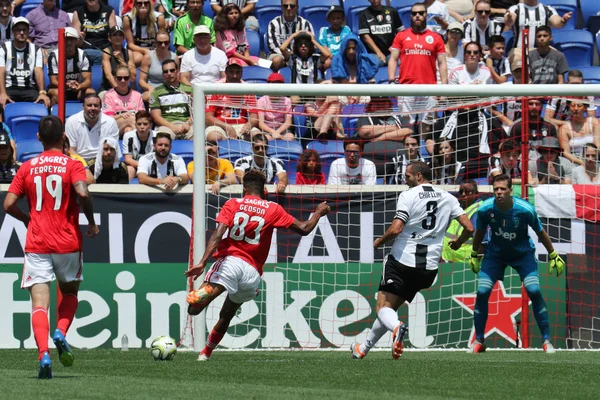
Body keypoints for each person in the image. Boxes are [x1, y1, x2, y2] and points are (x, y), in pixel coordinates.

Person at [184, 169, 331, 360]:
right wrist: (318, 212)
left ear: (245, 188)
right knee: (227, 314)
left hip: (231, 262)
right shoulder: (273, 208)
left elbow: (218, 234)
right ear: (264, 190)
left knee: (193, 309)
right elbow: (304, 229)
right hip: (252, 273)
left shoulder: (233, 203)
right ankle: (205, 354)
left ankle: (208, 290)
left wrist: (203, 262)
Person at [3, 115, 99, 379]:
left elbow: (9, 204)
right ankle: (61, 332)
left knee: (39, 304)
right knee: (69, 293)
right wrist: (91, 221)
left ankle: (43, 353)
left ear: (38, 138)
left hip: (37, 242)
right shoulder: (72, 165)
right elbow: (82, 192)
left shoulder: (27, 167)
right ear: (63, 137)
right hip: (67, 242)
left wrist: (28, 219)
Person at [352, 161, 473, 359]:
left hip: (403, 261)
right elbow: (469, 228)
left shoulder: (408, 195)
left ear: (418, 176)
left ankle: (397, 328)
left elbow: (396, 228)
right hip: (428, 269)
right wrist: (458, 243)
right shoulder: (448, 197)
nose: (404, 179)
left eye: (407, 176)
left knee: (383, 308)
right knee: (389, 310)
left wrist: (379, 242)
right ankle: (363, 348)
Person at [469, 174, 565, 353]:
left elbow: (541, 232)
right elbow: (480, 232)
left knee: (534, 291)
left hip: (522, 255)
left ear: (510, 191)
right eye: (496, 189)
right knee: (482, 292)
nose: (499, 192)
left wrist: (553, 254)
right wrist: (474, 254)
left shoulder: (525, 209)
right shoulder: (485, 210)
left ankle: (546, 341)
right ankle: (479, 341)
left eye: (503, 189)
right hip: (495, 255)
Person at [389, 3, 447, 156]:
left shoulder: (436, 37)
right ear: (410, 16)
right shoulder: (401, 36)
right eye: (414, 13)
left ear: (426, 15)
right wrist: (390, 82)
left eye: (421, 13)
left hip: (430, 88)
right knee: (408, 129)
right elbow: (393, 59)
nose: (418, 16)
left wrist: (445, 88)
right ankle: (408, 161)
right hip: (406, 88)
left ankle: (428, 162)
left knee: (427, 129)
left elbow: (442, 63)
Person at [0, 17, 50, 110]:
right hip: (9, 88)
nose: (22, 33)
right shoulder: (3, 48)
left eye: (24, 30)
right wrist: (2, 93)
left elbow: (38, 71)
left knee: (44, 103)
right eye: (18, 30)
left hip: (29, 89)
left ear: (28, 32)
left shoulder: (36, 50)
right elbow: (1, 71)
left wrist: (42, 92)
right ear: (13, 32)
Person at [205, 58, 257, 141]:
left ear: (242, 73)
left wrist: (249, 124)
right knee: (213, 137)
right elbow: (208, 118)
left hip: (242, 125)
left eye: (237, 72)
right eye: (231, 72)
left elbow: (254, 117)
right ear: (225, 72)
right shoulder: (216, 87)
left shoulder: (248, 89)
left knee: (258, 137)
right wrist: (227, 126)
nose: (234, 76)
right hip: (219, 126)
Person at [66, 94, 120, 163]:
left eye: (96, 105)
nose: (93, 108)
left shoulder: (110, 122)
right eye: (89, 105)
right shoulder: (72, 121)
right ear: (83, 106)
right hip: (79, 161)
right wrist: (84, 166)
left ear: (100, 107)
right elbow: (71, 150)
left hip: (103, 161)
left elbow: (111, 150)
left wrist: (97, 165)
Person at [149, 59, 194, 140]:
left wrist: (188, 124)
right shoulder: (156, 92)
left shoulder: (189, 90)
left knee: (198, 138)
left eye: (172, 70)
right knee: (162, 139)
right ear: (163, 74)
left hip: (187, 124)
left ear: (177, 71)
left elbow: (196, 112)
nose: (169, 73)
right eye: (165, 71)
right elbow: (156, 117)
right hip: (167, 126)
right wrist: (172, 127)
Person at [48, 27, 93, 105]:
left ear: (76, 41)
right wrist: (66, 85)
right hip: (59, 88)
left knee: (91, 93)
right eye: (66, 39)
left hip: (77, 88)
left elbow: (88, 81)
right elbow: (53, 81)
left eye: (71, 39)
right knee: (57, 93)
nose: (68, 42)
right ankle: (54, 116)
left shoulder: (83, 55)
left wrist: (80, 86)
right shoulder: (54, 56)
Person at [266, 0, 314, 72]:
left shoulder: (305, 24)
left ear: (297, 7)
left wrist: (296, 55)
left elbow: (311, 44)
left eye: (292, 6)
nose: (289, 8)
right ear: (281, 7)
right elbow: (273, 46)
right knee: (277, 60)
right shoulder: (274, 24)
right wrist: (289, 56)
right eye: (285, 6)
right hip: (280, 55)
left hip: (300, 54)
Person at [505, 0, 571, 49]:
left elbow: (557, 23)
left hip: (543, 50)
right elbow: (509, 21)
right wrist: (509, 19)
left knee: (557, 56)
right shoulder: (515, 8)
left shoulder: (547, 9)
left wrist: (562, 20)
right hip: (520, 50)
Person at [101, 66, 145, 136]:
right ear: (115, 79)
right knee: (130, 119)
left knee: (128, 130)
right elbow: (107, 118)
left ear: (130, 78)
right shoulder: (108, 95)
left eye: (126, 78)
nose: (123, 81)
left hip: (132, 125)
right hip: (113, 126)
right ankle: (142, 141)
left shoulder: (137, 95)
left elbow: (143, 116)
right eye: (119, 78)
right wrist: (121, 115)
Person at [358, 0, 403, 67]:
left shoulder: (392, 11)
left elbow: (400, 32)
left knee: (399, 61)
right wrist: (378, 52)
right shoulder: (364, 14)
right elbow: (365, 37)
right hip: (374, 53)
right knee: (377, 63)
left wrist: (395, 46)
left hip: (391, 51)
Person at [72, 0, 117, 66]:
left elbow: (114, 35)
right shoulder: (78, 12)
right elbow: (76, 43)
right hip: (86, 49)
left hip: (105, 48)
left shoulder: (109, 10)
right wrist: (81, 38)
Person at [123, 0, 166, 66]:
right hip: (136, 49)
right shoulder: (128, 19)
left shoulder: (159, 18)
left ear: (150, 4)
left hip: (155, 48)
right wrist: (145, 51)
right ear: (135, 5)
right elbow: (130, 44)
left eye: (146, 3)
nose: (143, 6)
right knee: (137, 58)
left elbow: (162, 40)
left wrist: (153, 52)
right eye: (139, 3)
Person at [139, 31, 178, 103]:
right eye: (160, 43)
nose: (163, 45)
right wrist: (150, 88)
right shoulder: (148, 57)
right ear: (155, 43)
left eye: (166, 42)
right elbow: (141, 81)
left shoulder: (174, 57)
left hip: (169, 89)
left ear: (169, 43)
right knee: (150, 97)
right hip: (153, 88)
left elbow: (178, 77)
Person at [558, 100, 600, 167]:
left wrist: (590, 158)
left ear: (585, 107)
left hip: (593, 158)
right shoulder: (564, 128)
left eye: (579, 106)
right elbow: (566, 152)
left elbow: (598, 146)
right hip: (574, 161)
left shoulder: (594, 122)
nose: (576, 108)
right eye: (573, 106)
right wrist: (581, 163)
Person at [256, 72, 294, 141]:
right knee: (266, 139)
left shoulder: (287, 100)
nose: (276, 87)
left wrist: (278, 132)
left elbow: (288, 122)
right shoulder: (261, 101)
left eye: (279, 84)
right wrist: (273, 132)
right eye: (274, 84)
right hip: (267, 130)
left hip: (282, 129)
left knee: (290, 137)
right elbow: (261, 123)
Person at [122, 110, 157, 181]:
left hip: (152, 166)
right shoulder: (128, 136)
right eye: (139, 124)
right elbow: (128, 159)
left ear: (150, 125)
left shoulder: (157, 136)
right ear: (135, 125)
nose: (142, 127)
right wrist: (143, 166)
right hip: (134, 166)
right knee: (129, 169)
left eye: (145, 124)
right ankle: (124, 190)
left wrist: (148, 167)